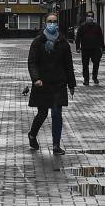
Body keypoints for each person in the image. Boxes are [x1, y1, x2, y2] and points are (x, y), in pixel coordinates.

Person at [27, 13, 76, 155]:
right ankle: (32, 134)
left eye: (54, 21)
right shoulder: (38, 42)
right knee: (42, 114)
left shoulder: (63, 42)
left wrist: (71, 84)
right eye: (49, 21)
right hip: (42, 83)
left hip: (58, 83)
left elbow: (68, 64)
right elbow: (32, 62)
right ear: (45, 24)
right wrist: (36, 79)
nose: (52, 24)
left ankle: (56, 145)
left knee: (56, 113)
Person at [75, 10, 105, 85]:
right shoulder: (82, 26)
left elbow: (101, 37)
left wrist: (103, 48)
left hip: (96, 48)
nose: (90, 17)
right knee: (85, 64)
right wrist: (78, 48)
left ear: (93, 17)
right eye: (88, 16)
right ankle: (86, 79)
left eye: (91, 16)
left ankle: (94, 77)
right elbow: (78, 38)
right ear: (86, 17)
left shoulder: (97, 26)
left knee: (96, 62)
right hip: (85, 48)